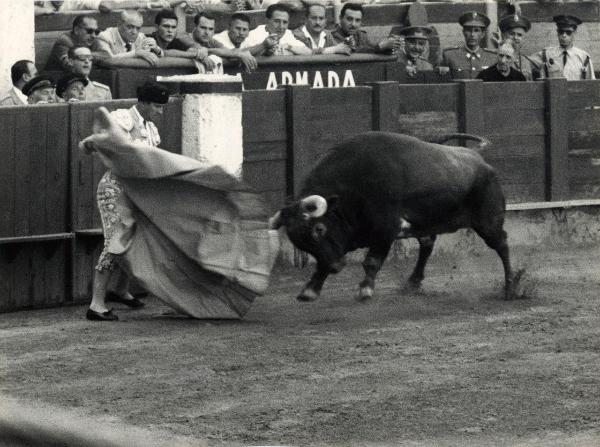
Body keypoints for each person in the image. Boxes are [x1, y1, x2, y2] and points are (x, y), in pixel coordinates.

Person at [86, 81, 169, 321]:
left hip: (139, 192)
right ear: (142, 103)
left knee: (137, 240)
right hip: (115, 188)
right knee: (115, 242)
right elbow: (103, 135)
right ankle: (96, 305)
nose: (159, 111)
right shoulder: (123, 118)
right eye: (156, 106)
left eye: (162, 107)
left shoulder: (150, 128)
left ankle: (120, 290)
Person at [182, 12, 258, 72]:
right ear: (194, 27)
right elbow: (199, 49)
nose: (207, 32)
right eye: (203, 28)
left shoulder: (211, 41)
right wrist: (239, 54)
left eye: (210, 29)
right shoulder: (183, 37)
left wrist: (240, 54)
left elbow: (227, 51)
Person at [528, 15, 595, 81]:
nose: (564, 35)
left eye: (568, 32)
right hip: (553, 91)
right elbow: (525, 62)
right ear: (557, 32)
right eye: (561, 32)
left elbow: (592, 84)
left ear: (574, 33)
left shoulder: (584, 57)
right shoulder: (546, 54)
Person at [96, 10, 164, 67]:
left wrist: (156, 49)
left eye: (138, 28)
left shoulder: (140, 36)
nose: (134, 32)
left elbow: (161, 54)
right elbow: (108, 60)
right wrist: (135, 53)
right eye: (130, 27)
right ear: (119, 24)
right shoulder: (104, 37)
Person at [440, 11, 497, 79]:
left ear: (483, 34)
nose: (472, 34)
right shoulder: (449, 55)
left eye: (476, 30)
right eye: (468, 30)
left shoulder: (492, 57)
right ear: (463, 32)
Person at [331, 3, 401, 54]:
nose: (353, 24)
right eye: (349, 19)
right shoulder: (331, 36)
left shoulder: (362, 36)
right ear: (340, 18)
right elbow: (351, 52)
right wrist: (380, 46)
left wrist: (390, 46)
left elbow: (372, 50)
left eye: (357, 20)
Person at [244, 4, 312, 56]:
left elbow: (308, 52)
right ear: (267, 21)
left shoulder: (287, 34)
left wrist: (289, 47)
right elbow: (241, 53)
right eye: (277, 21)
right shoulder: (255, 34)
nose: (281, 27)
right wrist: (263, 47)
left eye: (285, 22)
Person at [498, 13, 534, 80]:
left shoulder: (525, 61)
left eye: (519, 35)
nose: (516, 38)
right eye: (512, 34)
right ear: (503, 35)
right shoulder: (496, 57)